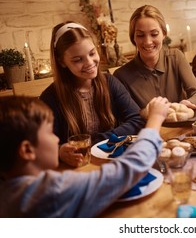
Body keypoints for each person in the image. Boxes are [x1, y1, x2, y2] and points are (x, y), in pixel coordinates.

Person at [0, 95, 170, 217]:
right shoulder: (50, 192)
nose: (57, 139)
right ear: (27, 150)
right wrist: (155, 119)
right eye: (50, 132)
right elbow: (127, 170)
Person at [40, 22, 145, 167]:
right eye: (77, 60)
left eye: (92, 53)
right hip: (78, 171)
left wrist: (96, 142)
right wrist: (59, 151)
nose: (89, 63)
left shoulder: (110, 82)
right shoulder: (50, 98)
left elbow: (137, 119)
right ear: (62, 62)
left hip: (112, 163)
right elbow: (42, 147)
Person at [113, 5, 196, 113]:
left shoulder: (176, 57)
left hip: (183, 128)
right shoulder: (121, 76)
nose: (148, 41)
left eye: (154, 34)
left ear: (164, 34)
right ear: (133, 38)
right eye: (140, 35)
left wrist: (187, 105)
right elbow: (129, 119)